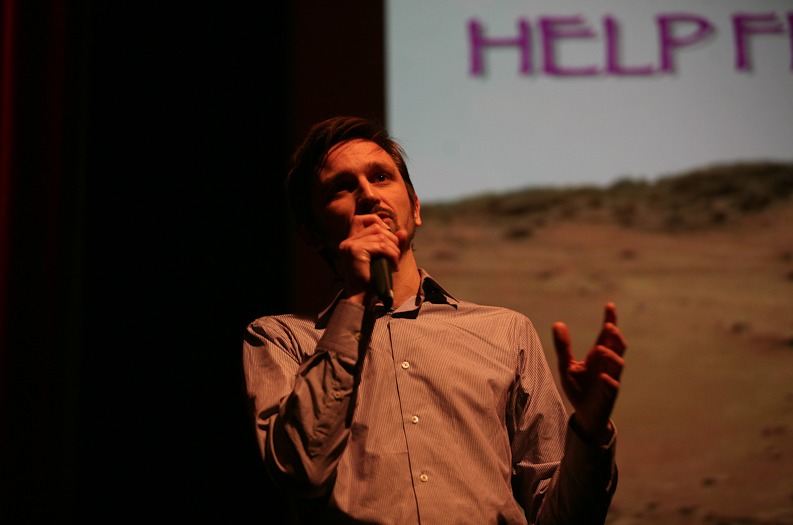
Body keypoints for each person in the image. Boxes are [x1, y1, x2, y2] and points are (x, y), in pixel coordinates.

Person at [242, 116, 627, 524]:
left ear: (416, 207)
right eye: (342, 186)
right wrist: (357, 298)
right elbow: (301, 469)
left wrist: (589, 429)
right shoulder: (281, 339)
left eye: (381, 177)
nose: (369, 195)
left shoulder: (506, 331)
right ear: (312, 235)